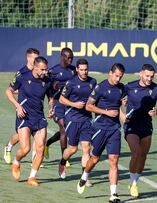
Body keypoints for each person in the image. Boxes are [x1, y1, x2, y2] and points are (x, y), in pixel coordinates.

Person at [76, 63, 126, 203]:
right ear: (110, 73)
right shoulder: (100, 88)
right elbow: (89, 106)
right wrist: (106, 112)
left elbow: (121, 103)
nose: (118, 79)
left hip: (115, 129)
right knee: (95, 158)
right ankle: (85, 175)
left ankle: (113, 194)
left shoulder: (121, 88)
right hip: (99, 128)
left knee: (114, 161)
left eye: (120, 77)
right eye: (116, 76)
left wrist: (123, 107)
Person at [5, 56, 54, 186]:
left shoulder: (47, 81)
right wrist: (18, 106)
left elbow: (50, 97)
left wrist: (51, 108)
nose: (45, 72)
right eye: (42, 69)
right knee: (25, 149)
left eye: (46, 69)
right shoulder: (23, 76)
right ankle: (16, 161)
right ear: (35, 67)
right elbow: (9, 91)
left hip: (39, 118)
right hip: (24, 117)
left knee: (40, 148)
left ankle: (32, 177)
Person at [124, 64, 157, 198]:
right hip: (131, 125)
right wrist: (122, 103)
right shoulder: (129, 86)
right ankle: (133, 182)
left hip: (147, 127)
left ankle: (134, 182)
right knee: (136, 154)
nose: (149, 79)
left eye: (152, 76)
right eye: (147, 76)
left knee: (143, 157)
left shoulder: (156, 89)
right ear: (140, 74)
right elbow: (117, 98)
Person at [58, 59, 97, 188]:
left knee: (87, 148)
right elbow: (62, 99)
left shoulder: (93, 82)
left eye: (86, 69)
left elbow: (95, 99)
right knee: (73, 149)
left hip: (86, 119)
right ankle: (63, 162)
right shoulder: (71, 83)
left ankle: (84, 177)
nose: (84, 72)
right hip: (73, 119)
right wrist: (74, 104)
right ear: (77, 70)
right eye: (81, 70)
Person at [3, 48, 40, 164]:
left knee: (37, 132)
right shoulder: (21, 73)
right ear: (28, 58)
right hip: (23, 109)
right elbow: (10, 90)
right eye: (35, 58)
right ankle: (8, 147)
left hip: (36, 109)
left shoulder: (39, 72)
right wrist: (18, 105)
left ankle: (35, 157)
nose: (37, 60)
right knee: (21, 136)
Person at [45, 47, 75, 163]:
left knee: (66, 130)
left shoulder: (74, 70)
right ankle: (64, 158)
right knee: (63, 128)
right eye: (68, 58)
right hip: (58, 104)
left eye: (72, 58)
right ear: (62, 57)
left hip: (70, 104)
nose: (70, 60)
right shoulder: (52, 72)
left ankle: (48, 143)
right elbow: (47, 91)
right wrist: (53, 88)